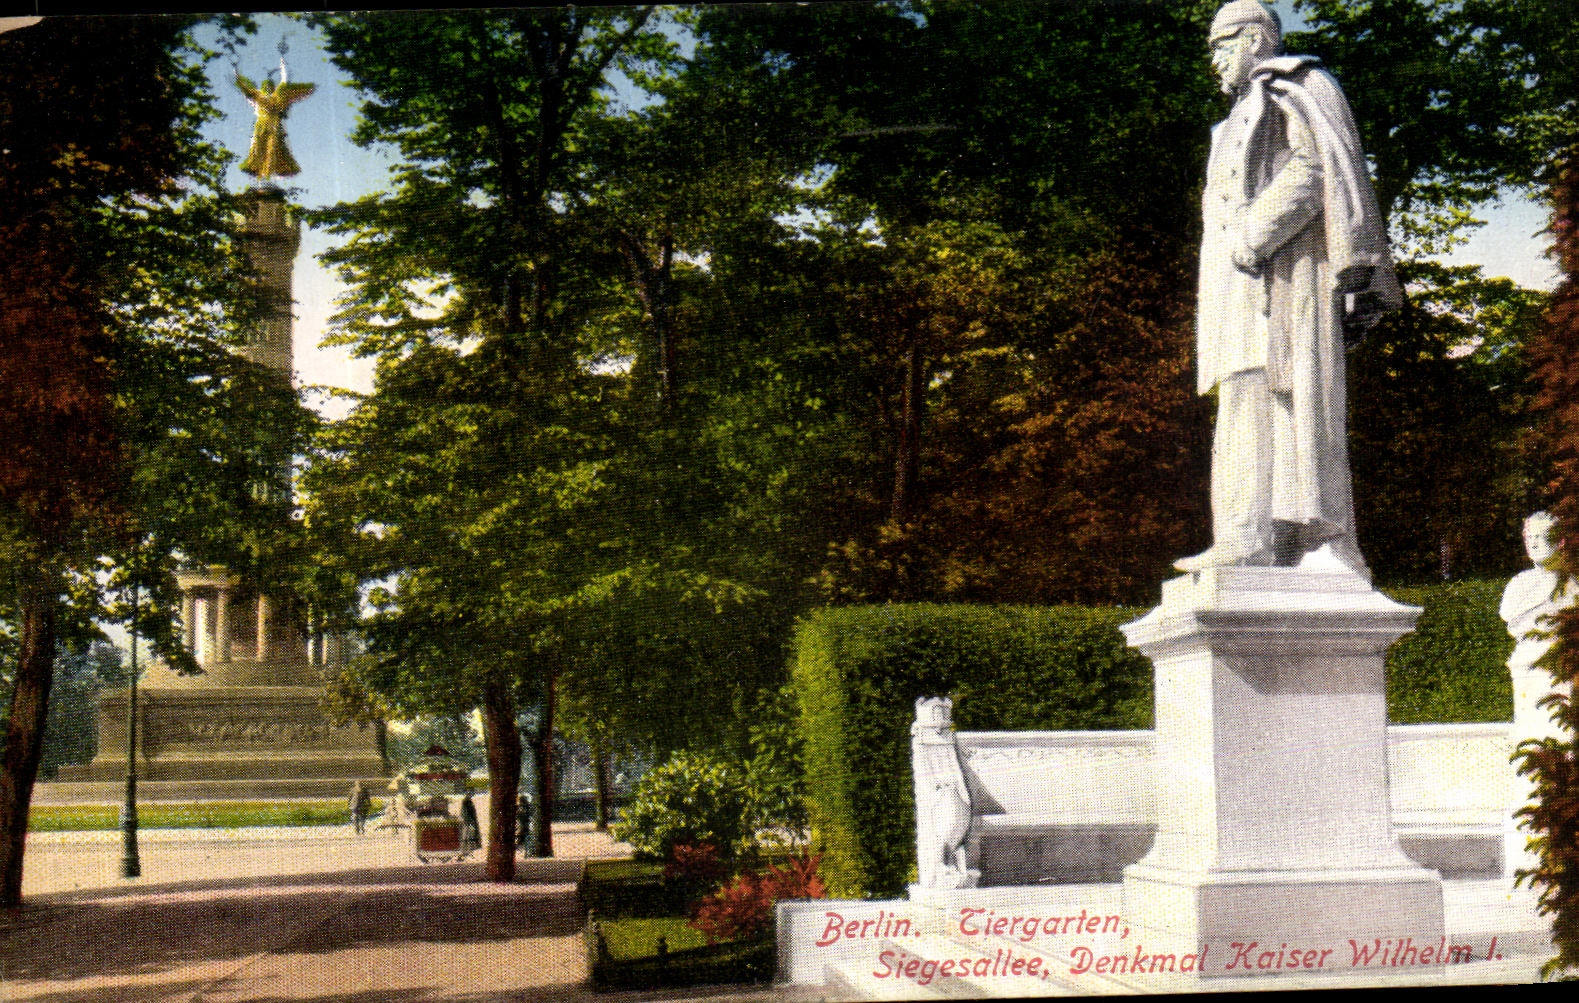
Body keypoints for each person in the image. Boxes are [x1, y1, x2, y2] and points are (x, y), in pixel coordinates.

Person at [1174, 0, 1401, 575]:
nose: (1214, 59)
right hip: (1238, 289)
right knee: (1242, 397)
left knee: (1298, 398)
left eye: (1221, 44)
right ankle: (1244, 537)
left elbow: (1315, 167)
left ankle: (1315, 535)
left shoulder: (1298, 85)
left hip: (1291, 273)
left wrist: (1254, 234)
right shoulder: (1230, 123)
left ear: (1255, 39)